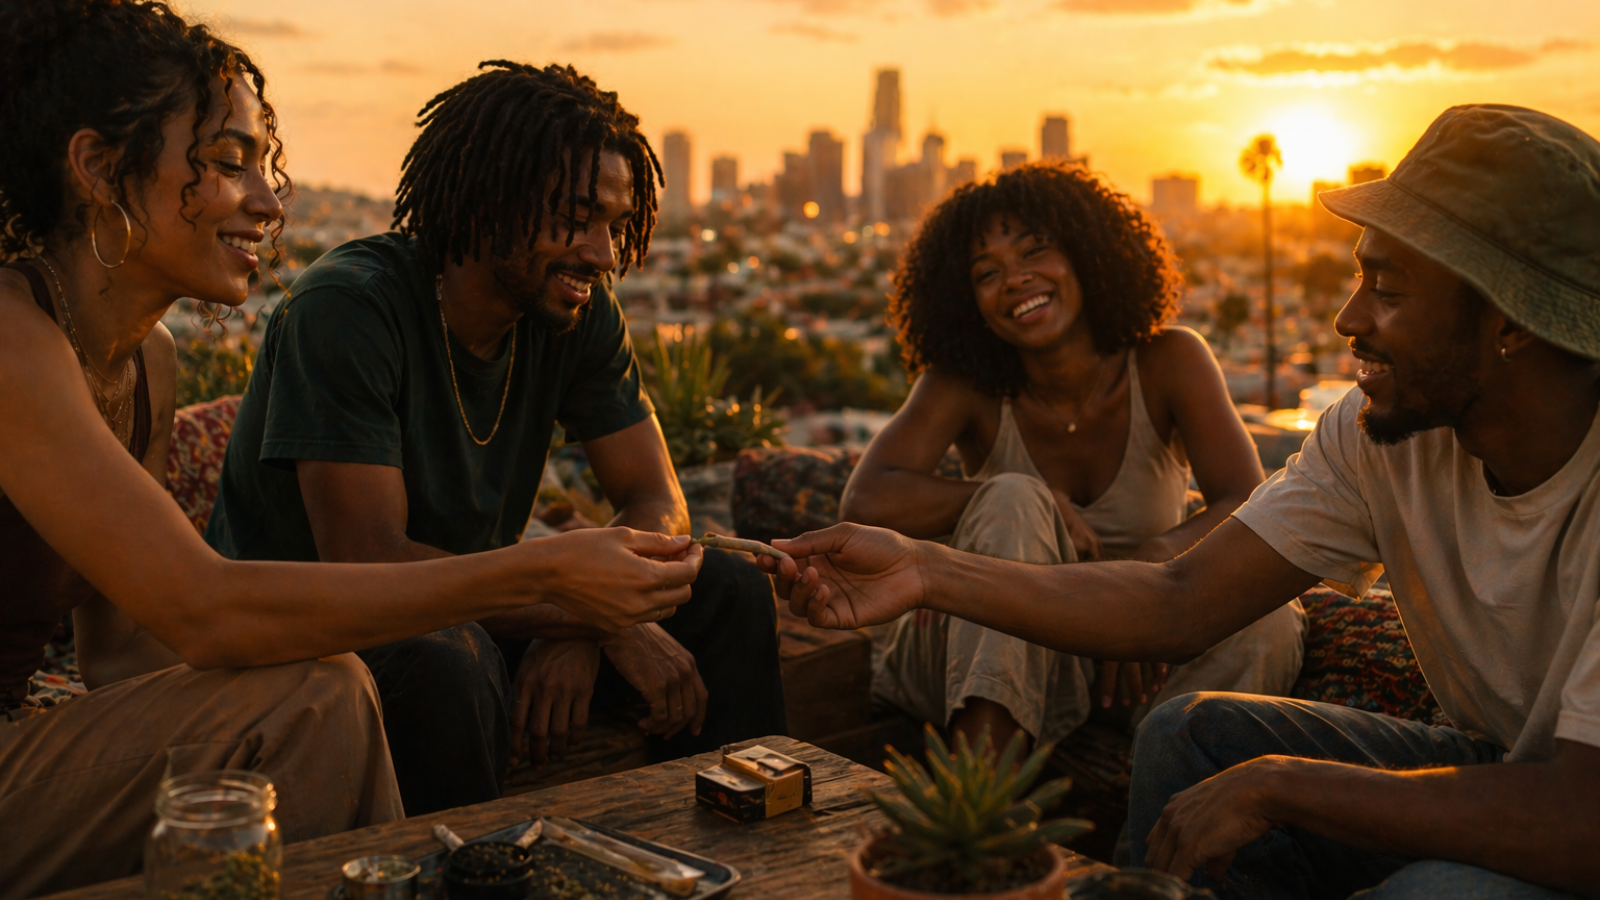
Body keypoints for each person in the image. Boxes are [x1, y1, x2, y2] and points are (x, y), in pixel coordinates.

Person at [762, 104, 1600, 898]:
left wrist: (1281, 786)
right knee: (1190, 734)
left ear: (1511, 321)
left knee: (1432, 892)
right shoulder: (1382, 435)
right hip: (1500, 761)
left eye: (1386, 287)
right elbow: (1182, 598)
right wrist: (924, 568)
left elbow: (1579, 820)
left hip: (1573, 810)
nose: (1349, 318)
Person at [0, 4, 696, 895]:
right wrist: (547, 579)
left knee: (323, 687)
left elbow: (129, 653)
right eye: (224, 163)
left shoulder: (149, 364)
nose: (267, 201)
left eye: (265, 166)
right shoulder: (12, 339)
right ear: (97, 168)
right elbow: (203, 609)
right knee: (318, 695)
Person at [206, 61, 786, 816]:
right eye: (578, 218)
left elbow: (655, 496)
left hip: (486, 608)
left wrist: (586, 624)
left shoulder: (574, 313)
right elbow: (370, 565)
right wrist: (597, 613)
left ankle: (734, 848)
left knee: (730, 592)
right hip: (321, 635)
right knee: (449, 657)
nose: (604, 254)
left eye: (614, 223)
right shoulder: (348, 309)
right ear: (490, 200)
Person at [841, 161, 1302, 754]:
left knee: (1269, 615)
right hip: (978, 649)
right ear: (966, 301)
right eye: (987, 272)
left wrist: (1149, 570)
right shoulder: (966, 383)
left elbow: (1245, 500)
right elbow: (866, 497)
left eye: (1036, 251)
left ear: (1088, 252)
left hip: (1132, 653)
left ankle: (1166, 820)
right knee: (1012, 495)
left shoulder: (1170, 361)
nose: (1015, 279)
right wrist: (1020, 501)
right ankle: (978, 808)